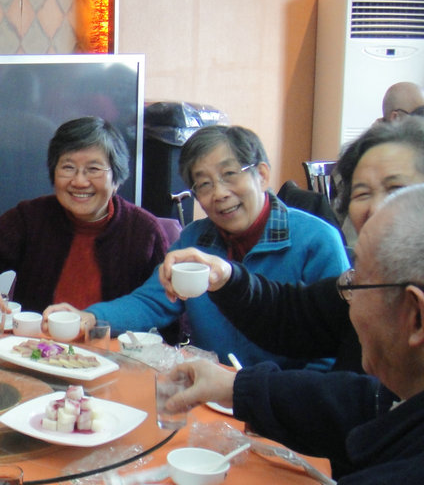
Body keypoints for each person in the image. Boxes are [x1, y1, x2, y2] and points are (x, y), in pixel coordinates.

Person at [165, 184, 424, 485]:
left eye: (355, 284)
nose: (347, 299)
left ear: (415, 317)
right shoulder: (400, 400)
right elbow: (365, 404)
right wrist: (236, 388)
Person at [47, 125, 349, 368]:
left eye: (229, 175)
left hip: (283, 404)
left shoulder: (317, 241)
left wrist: (280, 399)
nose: (219, 193)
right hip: (211, 394)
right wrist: (90, 317)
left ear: (262, 175)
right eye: (203, 184)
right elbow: (153, 301)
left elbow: (333, 350)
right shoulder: (195, 239)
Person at [158, 116, 424, 373]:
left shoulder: (319, 240)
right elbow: (288, 317)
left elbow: (345, 386)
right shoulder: (359, 284)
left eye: (396, 189)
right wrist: (226, 277)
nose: (377, 208)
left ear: (262, 175)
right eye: (362, 193)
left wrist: (241, 390)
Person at [0, 116, 171, 329]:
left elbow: (166, 307)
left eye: (93, 169)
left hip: (111, 351)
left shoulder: (144, 231)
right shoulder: (32, 217)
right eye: (68, 167)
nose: (79, 181)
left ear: (116, 179)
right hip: (35, 348)